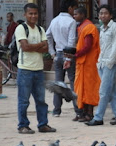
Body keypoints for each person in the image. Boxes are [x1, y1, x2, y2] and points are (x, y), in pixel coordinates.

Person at [16, 2, 55, 134]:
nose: (33, 16)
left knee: (41, 100)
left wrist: (32, 46)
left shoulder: (40, 29)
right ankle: (23, 125)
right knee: (24, 101)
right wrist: (38, 46)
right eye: (30, 13)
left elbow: (46, 48)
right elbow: (25, 47)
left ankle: (43, 124)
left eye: (35, 13)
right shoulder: (21, 28)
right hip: (25, 69)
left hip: (38, 70)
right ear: (25, 14)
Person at [86, 5, 116, 126]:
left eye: (105, 13)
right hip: (102, 63)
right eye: (101, 13)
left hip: (111, 64)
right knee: (112, 90)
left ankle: (98, 118)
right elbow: (102, 47)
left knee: (103, 91)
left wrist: (109, 63)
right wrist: (100, 62)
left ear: (111, 15)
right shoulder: (102, 29)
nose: (103, 16)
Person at [47, 0, 80, 119]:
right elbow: (71, 41)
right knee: (72, 82)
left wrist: (52, 53)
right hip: (68, 54)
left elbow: (48, 36)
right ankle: (77, 110)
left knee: (58, 82)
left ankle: (56, 110)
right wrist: (68, 58)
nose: (75, 11)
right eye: (74, 9)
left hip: (58, 54)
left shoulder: (54, 20)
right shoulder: (71, 21)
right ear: (70, 8)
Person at [67, 7, 100, 122]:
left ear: (82, 14)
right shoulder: (81, 26)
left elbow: (87, 46)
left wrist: (75, 55)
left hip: (89, 63)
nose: (74, 16)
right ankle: (83, 113)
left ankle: (89, 114)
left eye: (76, 14)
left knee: (89, 89)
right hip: (82, 63)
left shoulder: (89, 27)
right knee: (81, 89)